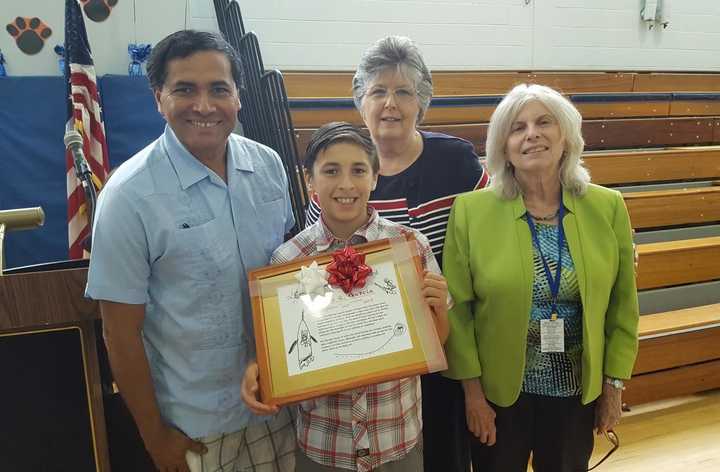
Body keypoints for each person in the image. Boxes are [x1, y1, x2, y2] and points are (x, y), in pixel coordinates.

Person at [85, 30, 296, 472]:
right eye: (184, 89)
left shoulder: (270, 167)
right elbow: (120, 336)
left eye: (219, 88)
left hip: (282, 407)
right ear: (158, 97)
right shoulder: (128, 197)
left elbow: (293, 279)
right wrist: (156, 437)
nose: (204, 106)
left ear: (238, 96)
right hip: (197, 431)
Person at [305, 36, 488, 472]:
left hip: (442, 344)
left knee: (443, 455)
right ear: (360, 102)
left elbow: (496, 228)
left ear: (421, 102)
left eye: (404, 91)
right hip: (371, 357)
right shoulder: (340, 174)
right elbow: (315, 263)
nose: (391, 103)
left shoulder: (456, 160)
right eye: (378, 91)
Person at [442, 83, 640, 472]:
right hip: (499, 395)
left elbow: (623, 305)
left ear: (565, 136)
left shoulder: (607, 206)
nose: (531, 133)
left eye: (544, 122)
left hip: (575, 391)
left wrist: (613, 387)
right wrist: (473, 395)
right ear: (504, 148)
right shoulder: (470, 211)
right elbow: (457, 312)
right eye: (517, 128)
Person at [242, 122, 450, 471]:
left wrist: (439, 307)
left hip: (395, 438)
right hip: (325, 445)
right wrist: (263, 373)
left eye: (358, 170)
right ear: (309, 181)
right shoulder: (288, 261)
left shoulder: (409, 247)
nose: (345, 184)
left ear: (374, 178)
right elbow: (283, 354)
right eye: (331, 171)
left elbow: (437, 341)